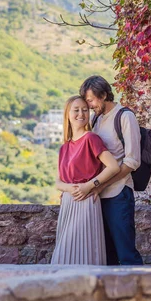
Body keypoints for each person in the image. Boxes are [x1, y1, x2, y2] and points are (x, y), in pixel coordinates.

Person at [80, 75, 144, 265]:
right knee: (107, 256)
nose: (89, 105)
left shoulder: (125, 116)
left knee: (126, 254)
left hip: (119, 193)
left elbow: (132, 161)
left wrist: (101, 185)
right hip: (98, 195)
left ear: (104, 94)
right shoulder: (96, 119)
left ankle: (140, 292)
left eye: (91, 100)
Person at [51, 95, 120, 265]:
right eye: (76, 110)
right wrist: (70, 189)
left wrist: (89, 186)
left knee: (84, 253)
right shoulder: (64, 147)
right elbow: (58, 182)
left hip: (86, 200)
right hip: (68, 202)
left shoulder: (91, 138)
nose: (81, 114)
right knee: (64, 254)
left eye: (85, 109)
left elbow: (113, 167)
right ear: (67, 114)